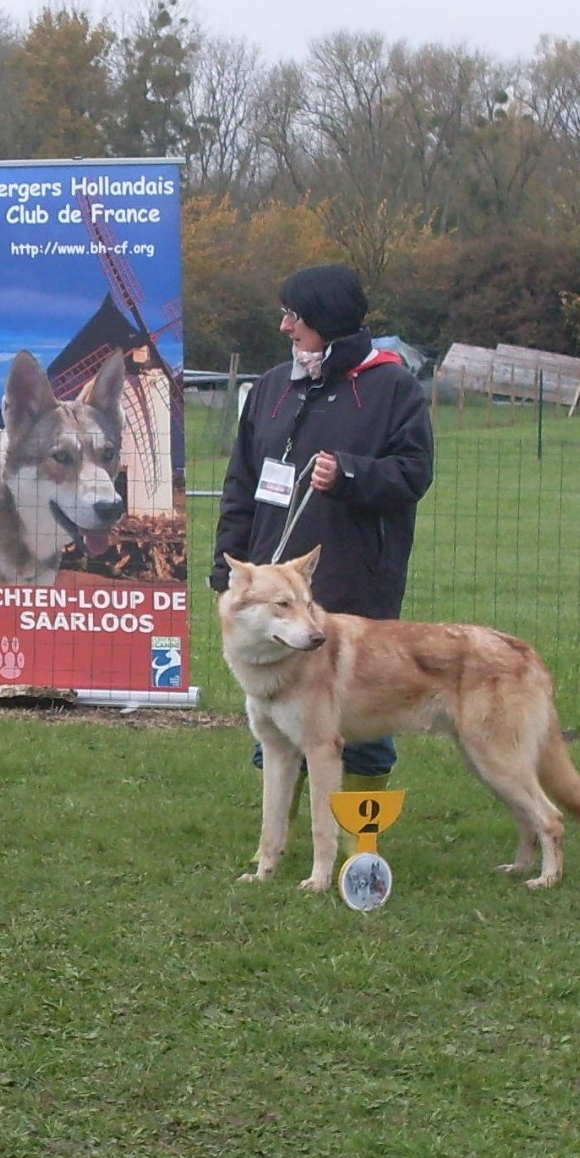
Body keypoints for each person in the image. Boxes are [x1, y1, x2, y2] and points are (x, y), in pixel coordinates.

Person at [209, 263, 434, 789]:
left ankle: (362, 845)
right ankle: (280, 838)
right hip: (274, 588)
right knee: (277, 722)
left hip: (355, 580)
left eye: (295, 316)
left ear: (326, 320)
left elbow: (415, 471)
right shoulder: (270, 387)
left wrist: (353, 473)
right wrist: (227, 562)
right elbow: (241, 481)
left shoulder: (392, 387)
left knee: (361, 725)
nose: (286, 327)